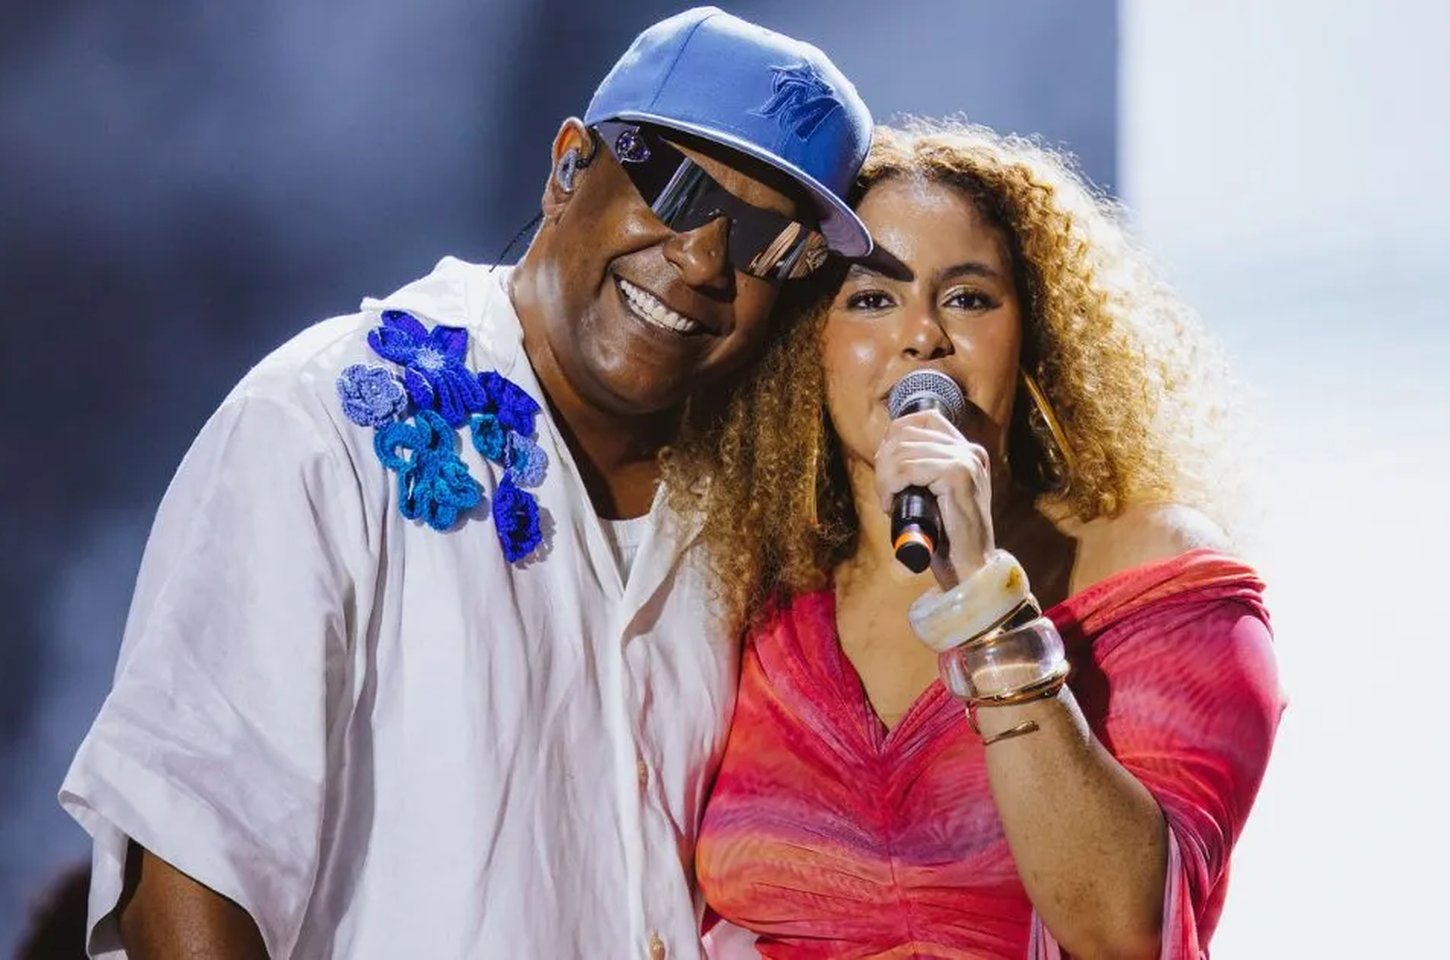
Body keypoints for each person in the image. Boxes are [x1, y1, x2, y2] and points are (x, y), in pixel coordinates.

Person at [57, 8, 872, 958]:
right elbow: (186, 861)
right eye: (678, 188)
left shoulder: (744, 518)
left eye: (767, 241)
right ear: (569, 167)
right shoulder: (325, 423)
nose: (701, 260)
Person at [681, 121, 1284, 958]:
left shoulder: (1155, 576)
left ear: (1037, 336)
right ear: (807, 346)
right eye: (871, 299)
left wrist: (982, 600)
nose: (922, 335)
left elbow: (1125, 933)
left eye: (967, 298)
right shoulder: (761, 602)